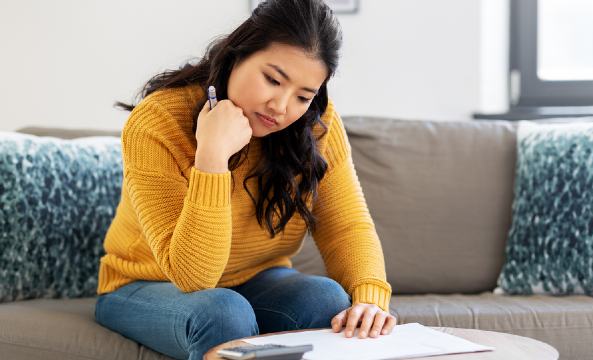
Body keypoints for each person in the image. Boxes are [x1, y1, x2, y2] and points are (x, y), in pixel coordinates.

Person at [94, 0, 395, 359]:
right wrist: (212, 156)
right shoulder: (157, 122)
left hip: (256, 280)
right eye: (272, 79)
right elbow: (193, 277)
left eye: (303, 96)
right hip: (145, 284)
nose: (281, 107)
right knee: (222, 312)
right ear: (238, 54)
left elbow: (345, 224)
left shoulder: (314, 124)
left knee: (327, 299)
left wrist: (369, 297)